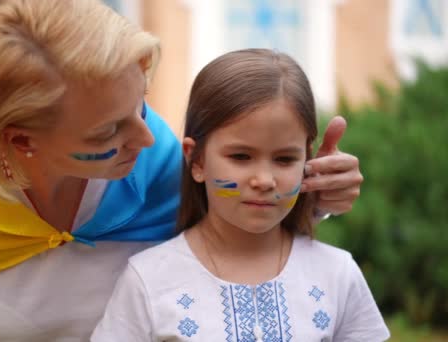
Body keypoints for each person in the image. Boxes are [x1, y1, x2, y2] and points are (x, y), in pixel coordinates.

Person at [0, 0, 363, 341]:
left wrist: (313, 197)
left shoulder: (156, 162)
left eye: (142, 106)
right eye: (107, 132)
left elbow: (237, 244)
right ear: (21, 141)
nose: (148, 136)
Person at [91, 49, 389, 341]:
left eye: (285, 159)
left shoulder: (337, 275)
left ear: (307, 161)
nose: (264, 180)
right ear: (197, 161)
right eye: (241, 156)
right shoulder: (148, 279)